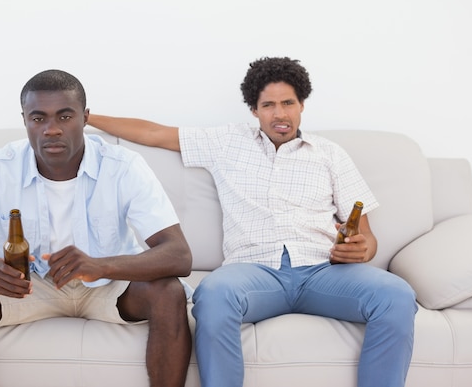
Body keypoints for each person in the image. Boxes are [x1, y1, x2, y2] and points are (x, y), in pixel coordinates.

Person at [87, 56, 418, 387]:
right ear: (254, 110)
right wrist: (86, 118)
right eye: (268, 105)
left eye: (288, 103)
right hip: (253, 273)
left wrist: (361, 250)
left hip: (323, 272)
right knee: (213, 294)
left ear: (302, 104)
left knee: (397, 296)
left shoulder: (330, 154)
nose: (280, 113)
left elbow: (367, 237)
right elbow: (153, 132)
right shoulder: (226, 142)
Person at [0, 69, 193, 387]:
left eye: (65, 116)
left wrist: (100, 265)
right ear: (24, 120)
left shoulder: (123, 167)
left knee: (168, 292)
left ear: (85, 117)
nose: (52, 130)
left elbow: (179, 255)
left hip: (108, 284)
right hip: (27, 287)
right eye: (38, 118)